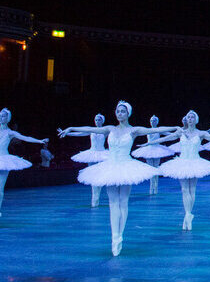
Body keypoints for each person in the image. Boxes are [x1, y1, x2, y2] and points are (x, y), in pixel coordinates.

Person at [58, 102, 176, 254]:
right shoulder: (110, 129)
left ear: (128, 114)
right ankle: (115, 237)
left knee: (123, 202)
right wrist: (71, 128)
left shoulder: (134, 130)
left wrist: (175, 128)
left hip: (126, 166)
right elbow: (89, 129)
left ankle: (120, 234)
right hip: (111, 166)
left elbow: (156, 129)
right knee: (113, 202)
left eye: (123, 111)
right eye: (118, 111)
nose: (120, 114)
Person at [160, 111, 210, 229]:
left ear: (196, 120)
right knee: (184, 189)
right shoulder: (181, 132)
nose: (190, 119)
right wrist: (150, 142)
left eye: (192, 117)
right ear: (186, 119)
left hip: (195, 162)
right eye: (188, 117)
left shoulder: (201, 133)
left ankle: (188, 215)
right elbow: (167, 137)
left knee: (192, 189)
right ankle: (188, 215)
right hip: (182, 162)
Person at [0, 107, 48, 216]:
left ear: (7, 118)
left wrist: (39, 141)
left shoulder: (10, 132)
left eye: (3, 116)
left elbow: (25, 138)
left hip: (3, 160)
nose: (0, 117)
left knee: (0, 188)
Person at [70, 113, 109, 206]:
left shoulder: (105, 131)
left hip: (102, 153)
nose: (97, 121)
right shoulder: (91, 130)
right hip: (92, 153)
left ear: (102, 121)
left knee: (100, 176)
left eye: (99, 120)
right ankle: (94, 200)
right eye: (96, 120)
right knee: (92, 175)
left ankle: (96, 197)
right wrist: (68, 132)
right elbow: (80, 133)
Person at [131, 115, 176, 195]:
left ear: (157, 122)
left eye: (154, 121)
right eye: (151, 120)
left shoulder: (159, 130)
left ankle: (155, 187)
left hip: (157, 149)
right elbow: (138, 133)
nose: (153, 122)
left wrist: (178, 133)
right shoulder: (147, 130)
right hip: (148, 150)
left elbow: (168, 134)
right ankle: (151, 187)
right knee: (151, 169)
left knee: (156, 168)